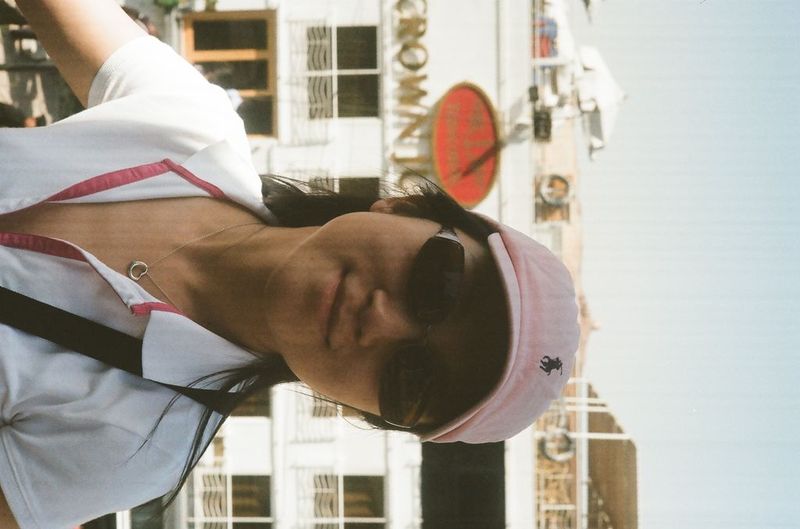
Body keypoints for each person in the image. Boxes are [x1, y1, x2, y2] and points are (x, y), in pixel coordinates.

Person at [0, 1, 580, 528]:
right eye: (438, 283)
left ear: (365, 411)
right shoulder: (191, 127)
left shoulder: (137, 446)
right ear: (406, 208)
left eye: (412, 380)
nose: (381, 322)